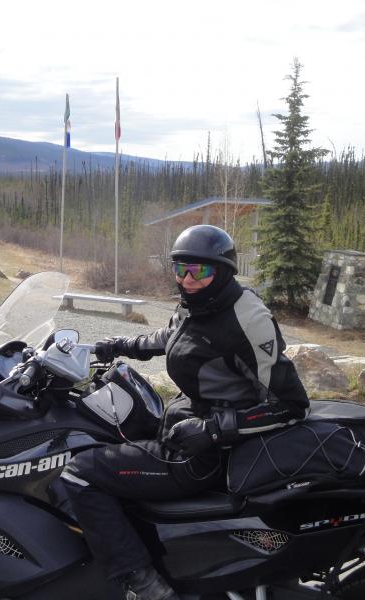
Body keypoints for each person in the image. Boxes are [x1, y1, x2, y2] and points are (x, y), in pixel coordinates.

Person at [60, 224, 309, 600]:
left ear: (223, 272)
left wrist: (214, 430)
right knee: (110, 429)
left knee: (80, 473)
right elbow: (173, 336)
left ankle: (143, 584)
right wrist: (120, 345)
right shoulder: (201, 305)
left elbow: (292, 406)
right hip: (187, 426)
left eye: (201, 271)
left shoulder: (245, 320)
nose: (188, 280)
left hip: (206, 455)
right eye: (181, 269)